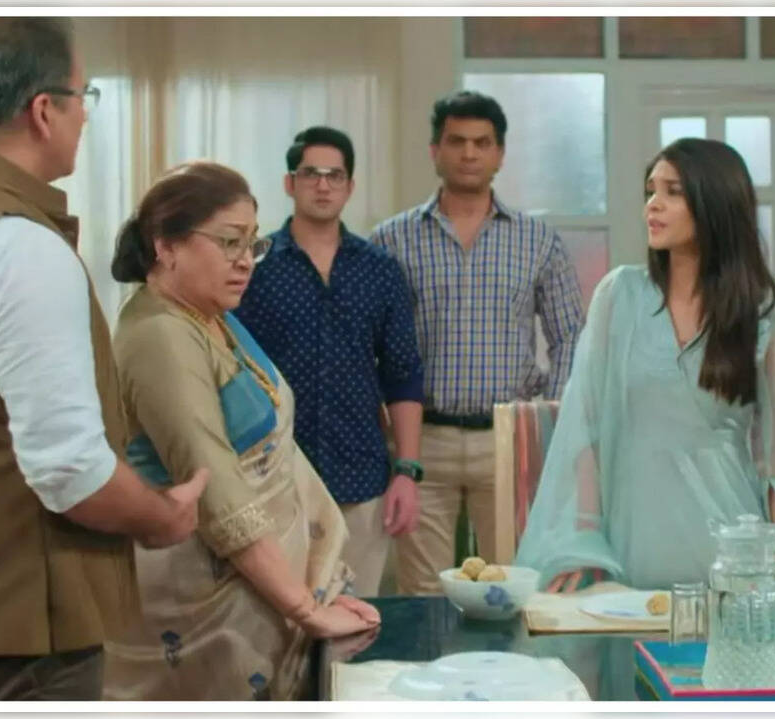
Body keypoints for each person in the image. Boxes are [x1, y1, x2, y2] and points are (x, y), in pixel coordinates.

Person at [0, 18, 207, 701]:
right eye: (85, 97)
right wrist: (163, 516)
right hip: (16, 640)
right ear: (43, 110)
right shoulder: (15, 243)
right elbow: (69, 469)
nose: (86, 116)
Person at [102, 162, 380, 701]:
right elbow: (218, 494)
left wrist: (314, 586)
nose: (245, 261)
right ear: (166, 246)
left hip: (262, 589)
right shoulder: (160, 334)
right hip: (198, 610)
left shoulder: (212, 316)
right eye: (229, 242)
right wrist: (305, 609)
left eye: (253, 244)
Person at [515, 138, 775, 591]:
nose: (653, 204)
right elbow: (585, 426)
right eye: (651, 191)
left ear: (715, 201)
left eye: (673, 192)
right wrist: (583, 539)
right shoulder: (620, 296)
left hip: (730, 548)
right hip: (636, 542)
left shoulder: (770, 312)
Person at [370, 91, 584, 595]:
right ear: (435, 150)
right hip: (422, 442)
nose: (469, 153)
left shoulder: (537, 241)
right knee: (423, 594)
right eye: (457, 141)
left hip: (507, 437)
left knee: (509, 589)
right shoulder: (391, 240)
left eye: (482, 143)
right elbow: (369, 339)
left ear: (499, 154)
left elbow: (571, 334)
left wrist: (547, 419)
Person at [235, 127, 424, 598]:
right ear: (289, 183)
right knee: (282, 617)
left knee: (358, 617)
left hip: (361, 477)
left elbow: (402, 374)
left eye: (334, 176)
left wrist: (407, 471)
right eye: (310, 174)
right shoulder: (254, 268)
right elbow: (231, 371)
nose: (322, 185)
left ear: (350, 186)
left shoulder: (379, 270)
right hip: (275, 478)